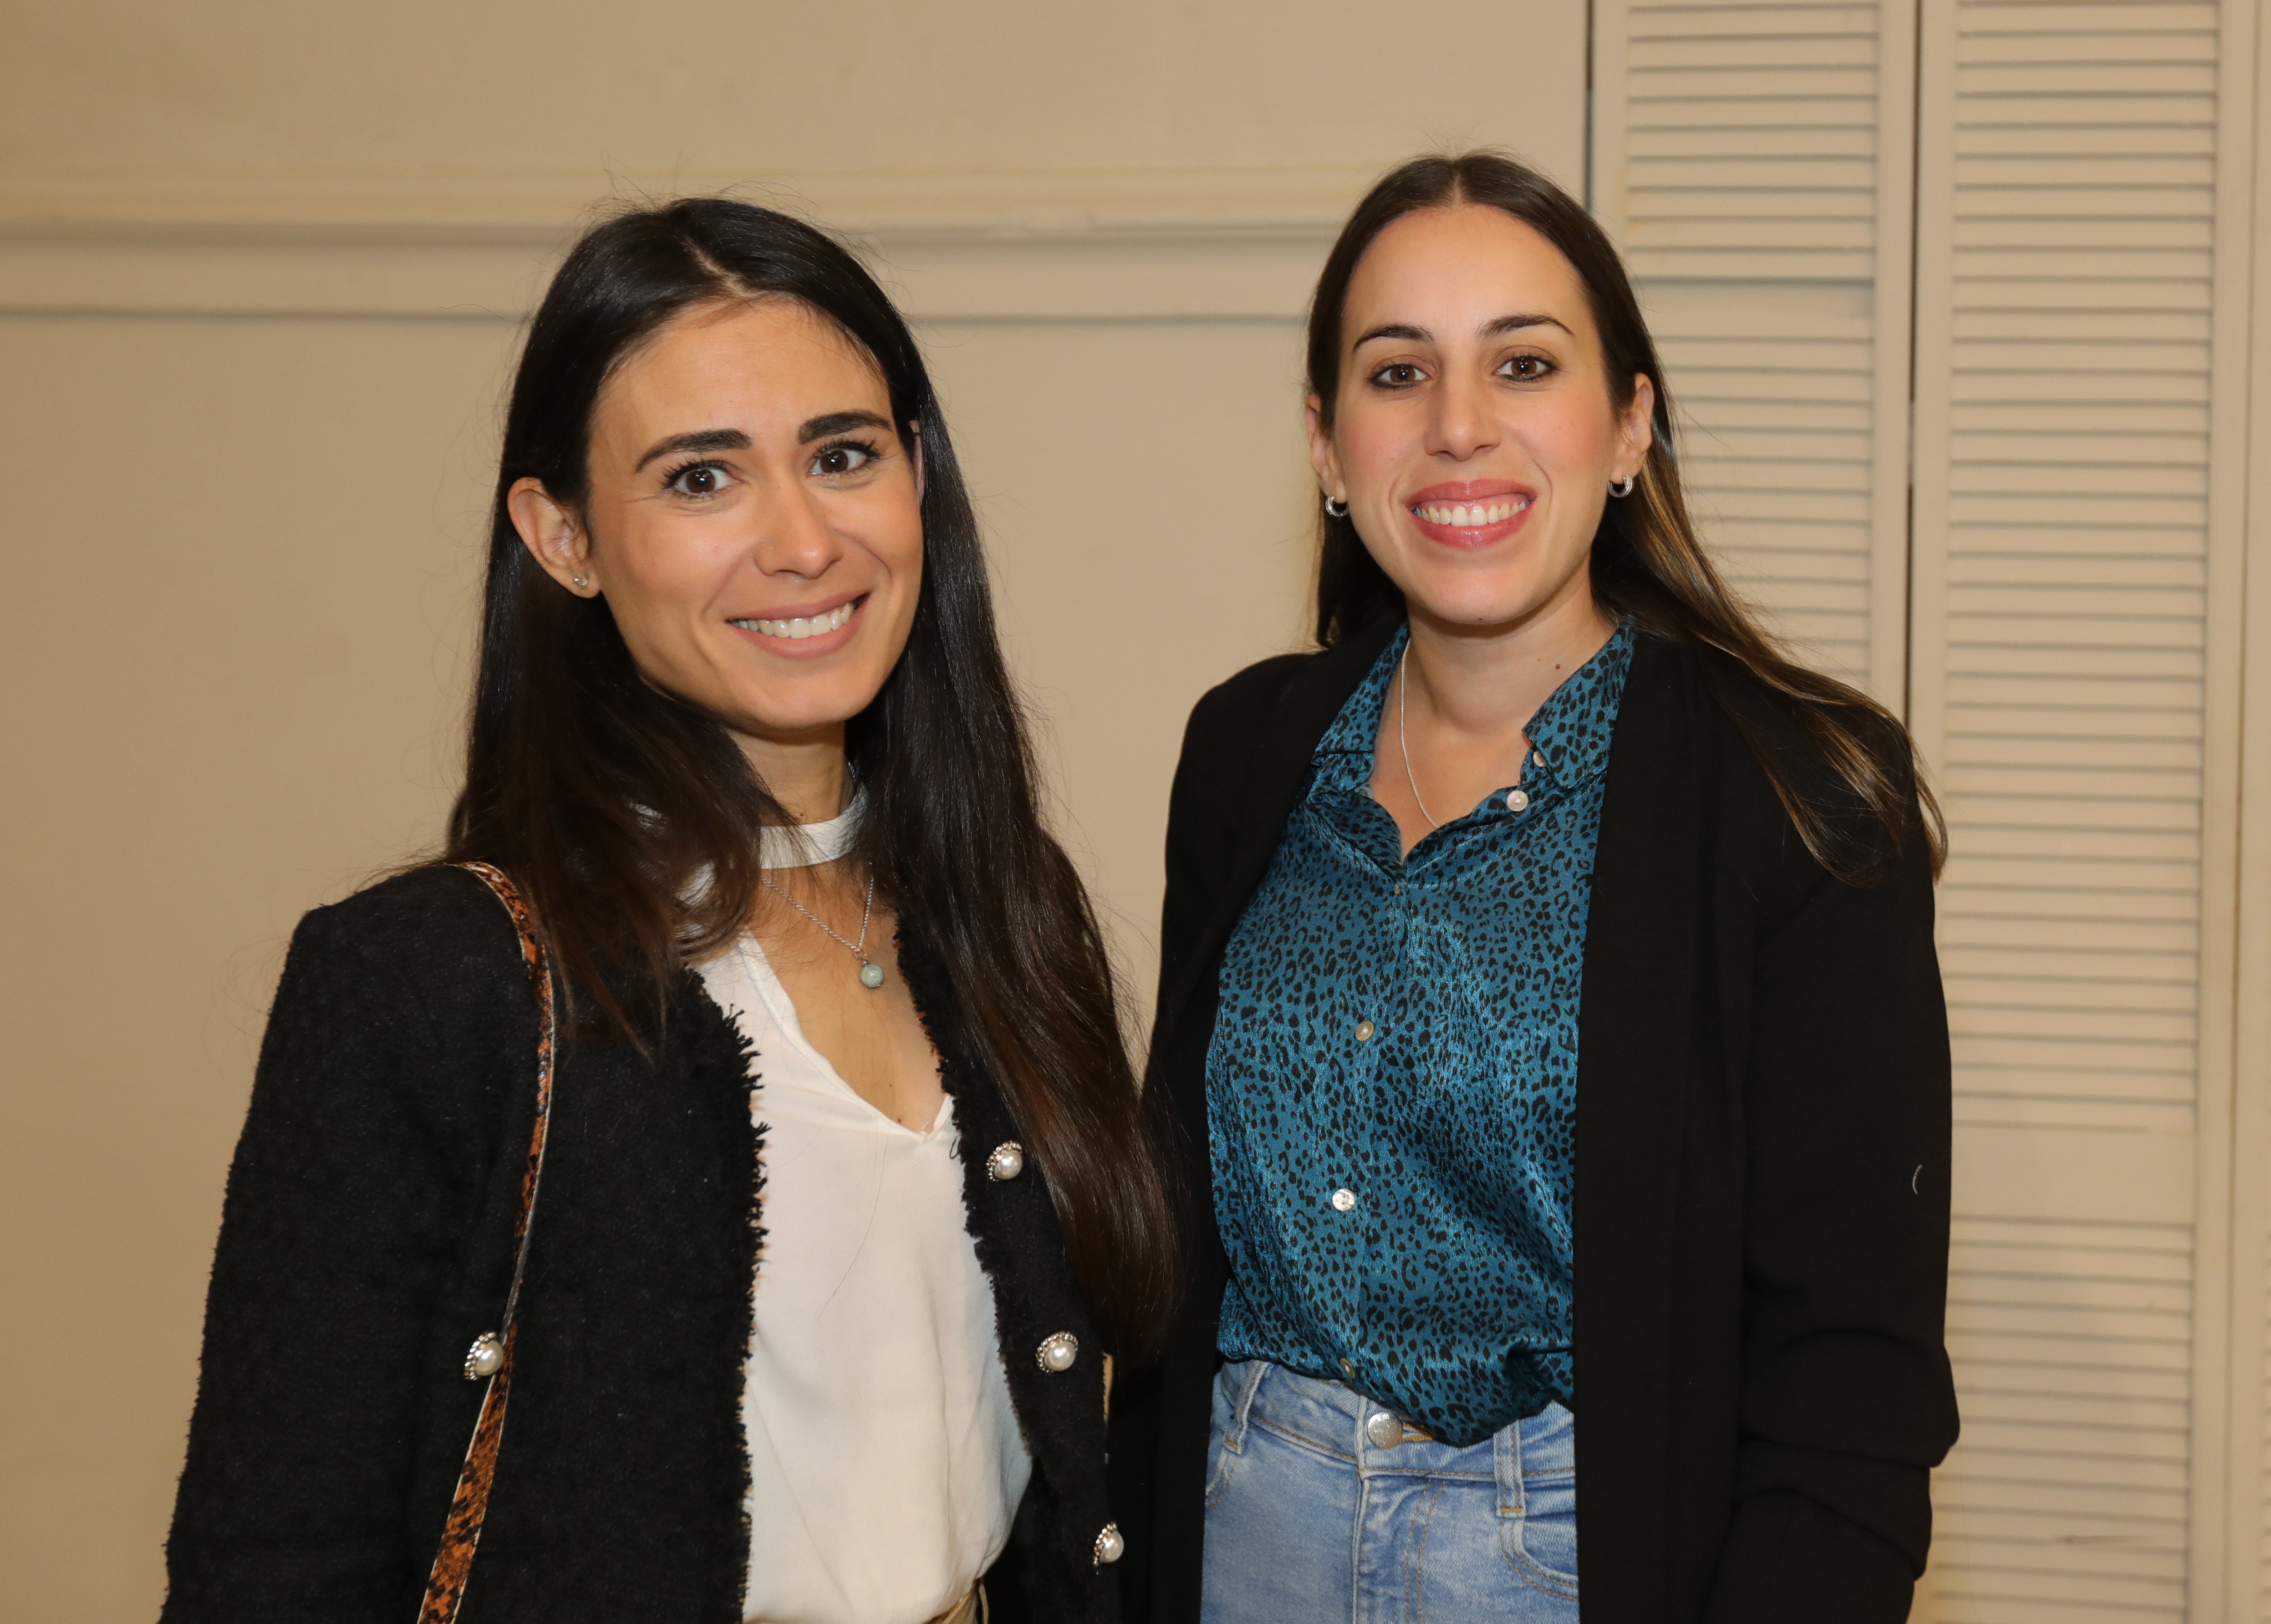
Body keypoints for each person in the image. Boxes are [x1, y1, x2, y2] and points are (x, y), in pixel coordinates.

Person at [160, 198, 1176, 1624]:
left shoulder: (1008, 918)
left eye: (843, 455)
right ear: (563, 537)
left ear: (917, 482)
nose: (801, 540)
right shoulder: (433, 982)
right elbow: (273, 1565)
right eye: (701, 480)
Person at [1109, 151, 1959, 1624]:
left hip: (1576, 1562)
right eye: (1395, 374)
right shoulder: (1244, 747)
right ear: (1323, 444)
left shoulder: (1800, 794)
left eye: (1523, 363)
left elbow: (1849, 1384)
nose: (1457, 427)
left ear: (1627, 421)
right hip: (1236, 1532)